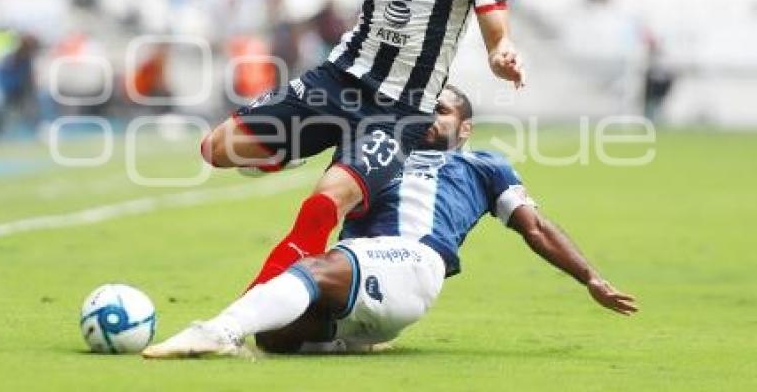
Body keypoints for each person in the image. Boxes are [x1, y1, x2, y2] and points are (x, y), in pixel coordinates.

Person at [152, 0, 525, 288]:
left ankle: (256, 308)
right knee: (217, 150)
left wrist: (502, 53)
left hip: (399, 110)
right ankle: (290, 153)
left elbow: (495, 28)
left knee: (324, 203)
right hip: (336, 81)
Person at [142, 86, 638, 359]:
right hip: (368, 277)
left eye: (440, 111)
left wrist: (590, 277)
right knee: (278, 337)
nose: (427, 116)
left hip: (416, 262)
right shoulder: (377, 148)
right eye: (424, 106)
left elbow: (536, 227)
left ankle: (217, 332)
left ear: (464, 129)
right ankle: (351, 341)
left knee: (309, 274)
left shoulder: (484, 166)